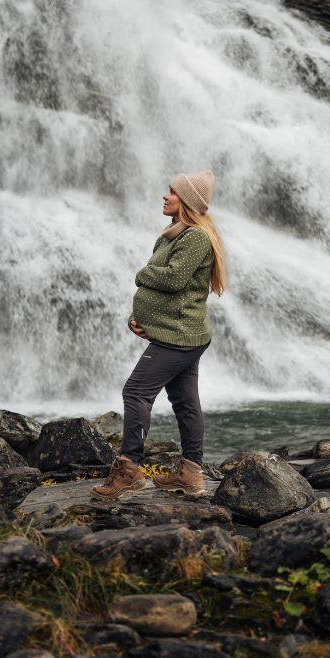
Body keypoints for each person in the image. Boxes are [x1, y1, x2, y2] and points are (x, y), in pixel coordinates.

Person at [91, 169, 225, 501]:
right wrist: (137, 319)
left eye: (172, 192)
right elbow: (165, 295)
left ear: (187, 201)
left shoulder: (194, 236)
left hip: (181, 336)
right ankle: (191, 474)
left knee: (136, 392)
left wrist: (142, 273)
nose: (165, 196)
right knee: (184, 401)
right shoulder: (175, 234)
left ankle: (129, 469)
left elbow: (174, 279)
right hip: (179, 333)